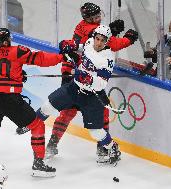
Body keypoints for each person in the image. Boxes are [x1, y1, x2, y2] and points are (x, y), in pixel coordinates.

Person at [0, 28, 69, 177]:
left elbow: (0, 71)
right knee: (37, 125)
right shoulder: (17, 51)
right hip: (8, 98)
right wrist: (62, 57)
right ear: (5, 41)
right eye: (8, 39)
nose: (10, 41)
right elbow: (41, 59)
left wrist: (17, 74)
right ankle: (38, 165)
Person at [46, 2, 138, 162]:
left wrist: (111, 29)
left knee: (69, 111)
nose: (99, 17)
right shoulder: (91, 30)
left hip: (74, 71)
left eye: (99, 14)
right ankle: (102, 149)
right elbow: (111, 44)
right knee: (89, 112)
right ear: (87, 18)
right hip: (78, 74)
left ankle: (52, 146)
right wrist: (128, 39)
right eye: (95, 16)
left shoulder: (84, 27)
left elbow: (98, 38)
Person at [17, 25, 122, 166]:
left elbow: (101, 84)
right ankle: (30, 123)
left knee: (96, 132)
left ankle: (112, 147)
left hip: (91, 96)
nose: (98, 42)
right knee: (48, 106)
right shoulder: (89, 43)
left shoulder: (107, 59)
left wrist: (88, 78)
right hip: (74, 88)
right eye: (97, 38)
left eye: (102, 40)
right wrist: (67, 45)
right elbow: (77, 46)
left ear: (107, 42)